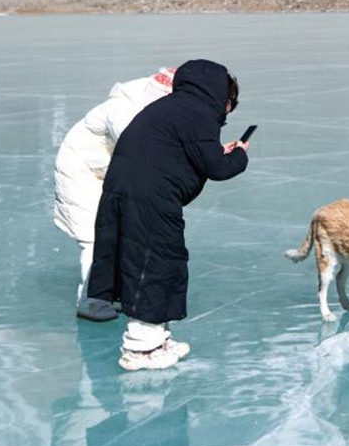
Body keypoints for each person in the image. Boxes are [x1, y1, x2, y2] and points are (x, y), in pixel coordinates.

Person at [87, 58, 250, 371]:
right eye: (231, 102)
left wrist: (217, 151)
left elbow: (186, 153)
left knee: (143, 259)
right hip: (149, 198)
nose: (229, 110)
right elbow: (216, 168)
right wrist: (240, 154)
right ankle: (140, 348)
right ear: (219, 95)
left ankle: (156, 338)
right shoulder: (198, 113)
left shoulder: (173, 107)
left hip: (126, 191)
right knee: (155, 262)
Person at [53, 66, 177, 321]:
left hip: (113, 172)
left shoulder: (153, 104)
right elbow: (145, 150)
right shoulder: (122, 111)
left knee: (124, 233)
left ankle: (116, 292)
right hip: (81, 172)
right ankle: (90, 299)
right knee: (94, 238)